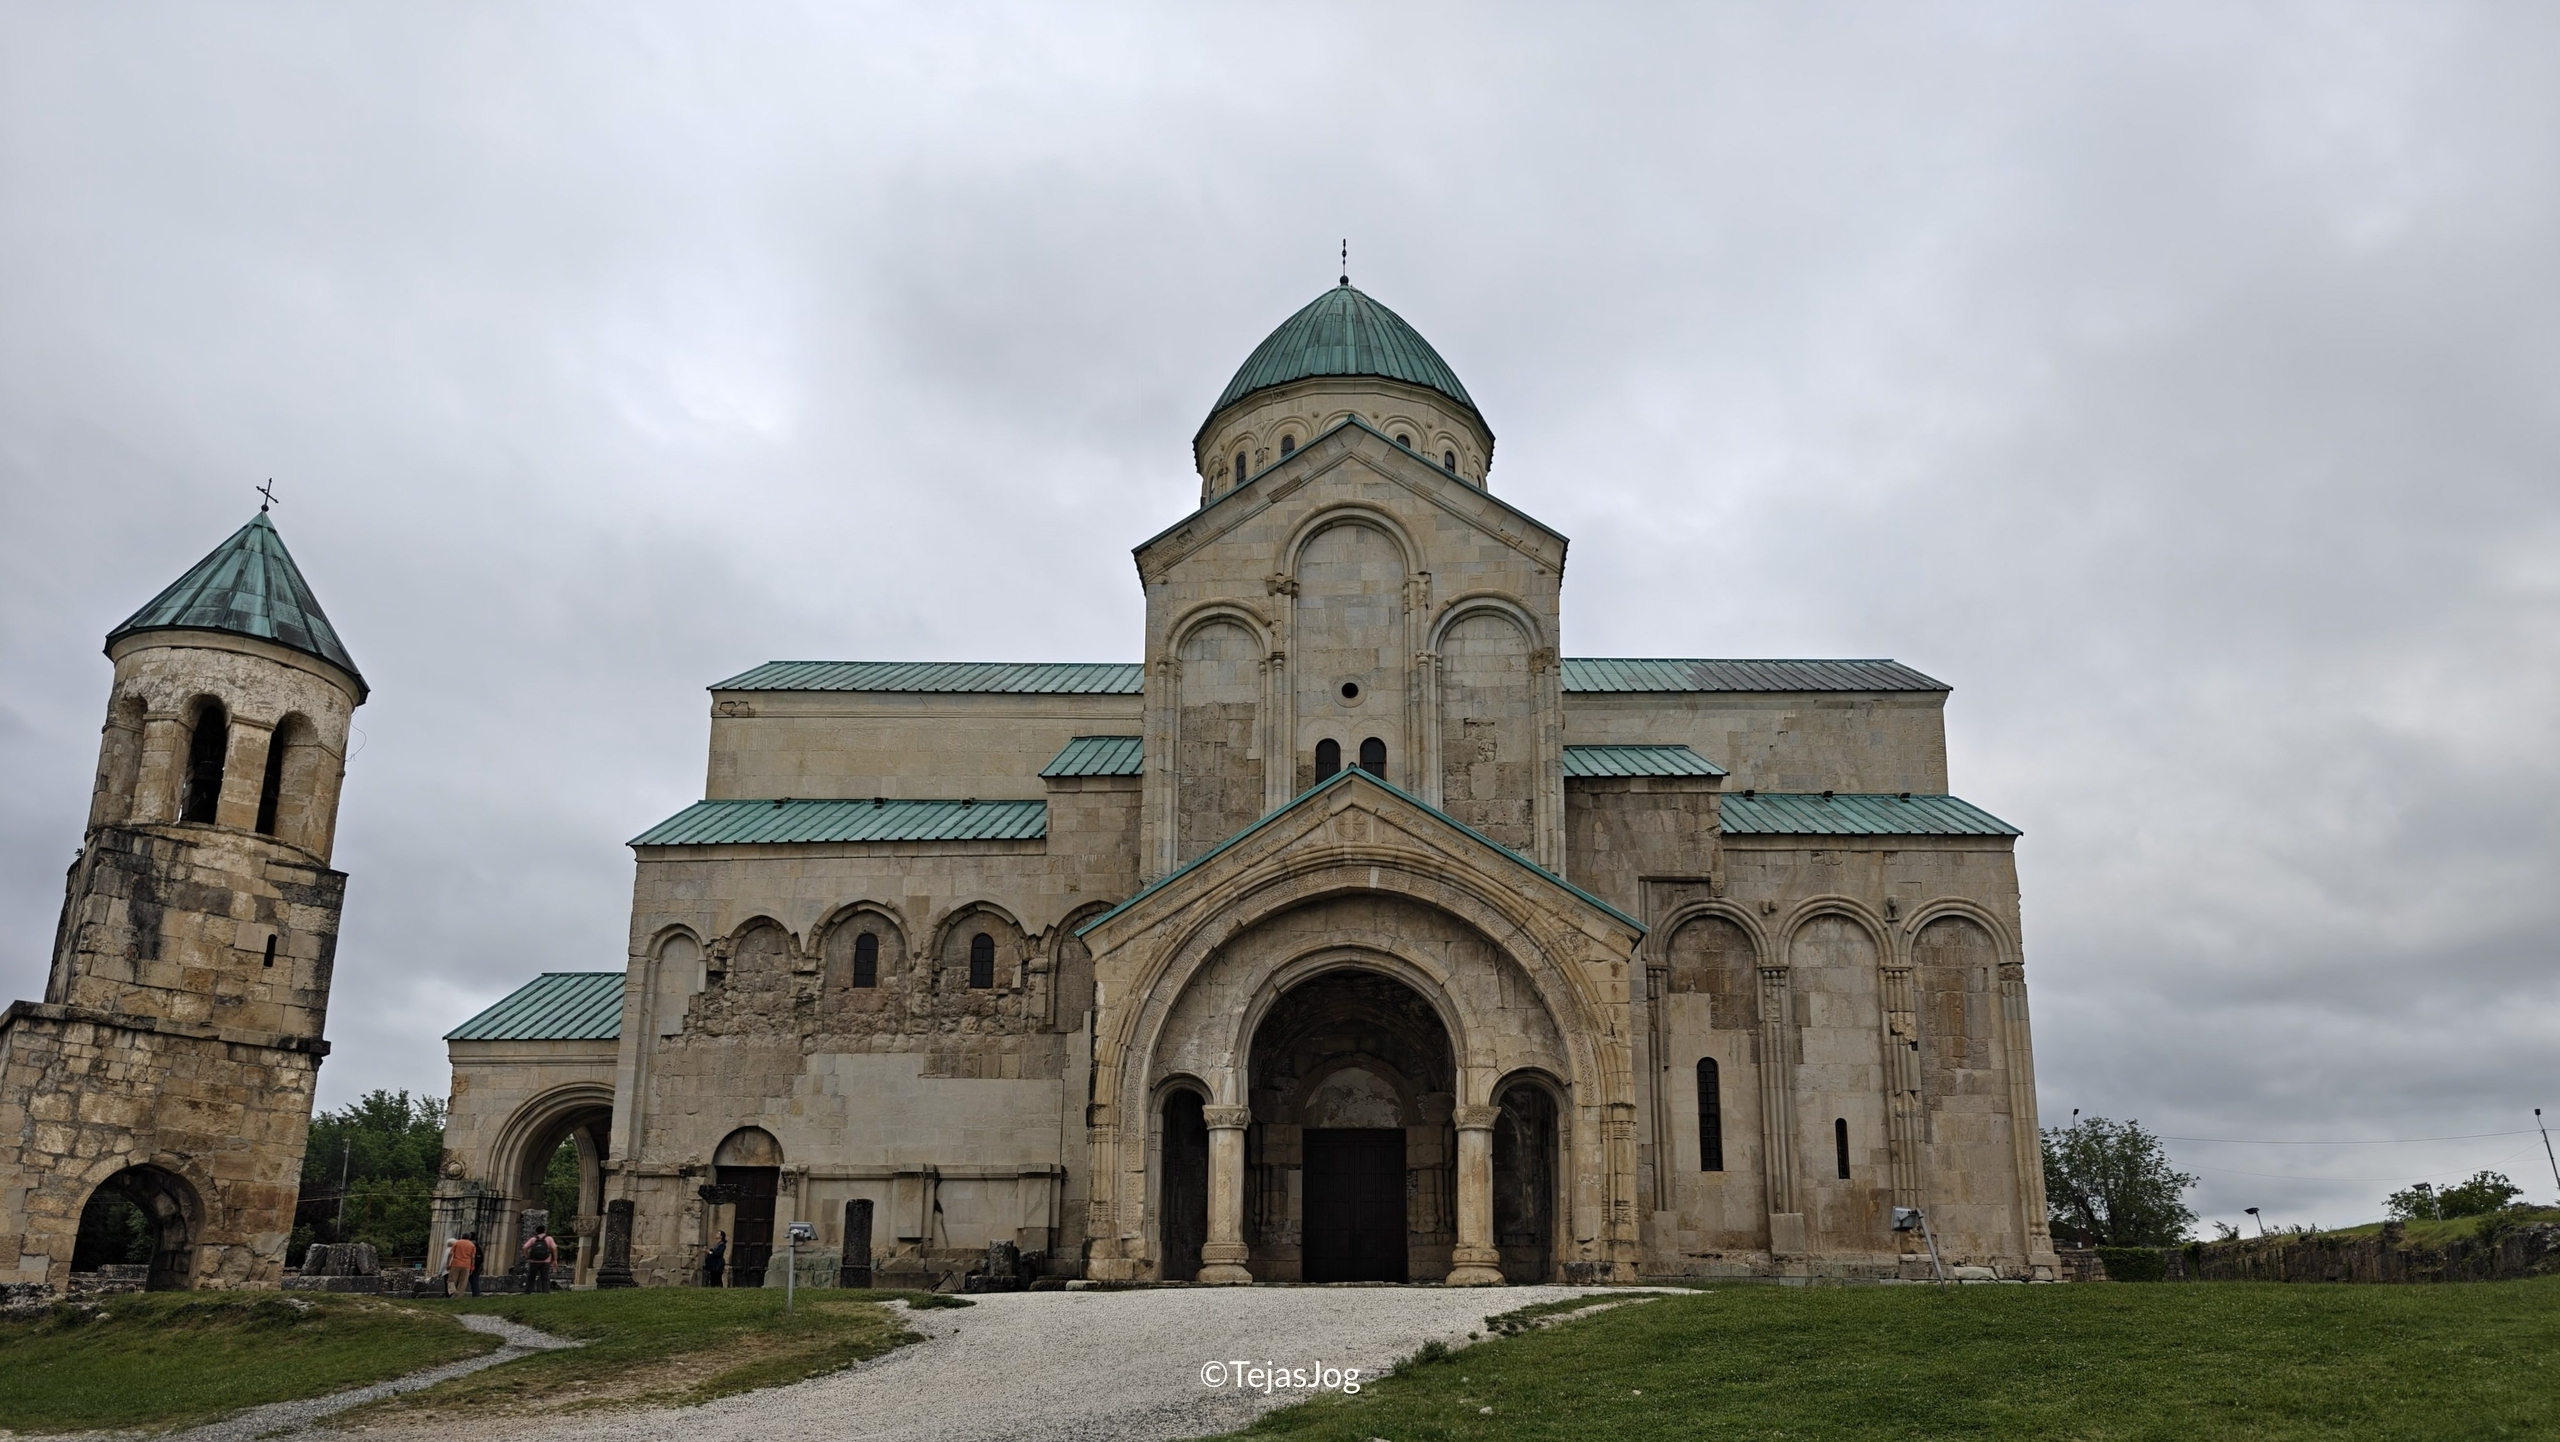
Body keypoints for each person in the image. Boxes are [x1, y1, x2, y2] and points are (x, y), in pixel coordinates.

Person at [521, 1225, 558, 1293]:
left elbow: (524, 1247)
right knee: (544, 1278)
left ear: (536, 1231)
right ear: (544, 1230)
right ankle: (545, 1291)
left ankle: (528, 1291)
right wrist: (555, 1260)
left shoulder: (533, 1239)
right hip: (545, 1261)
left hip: (534, 1261)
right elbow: (554, 1248)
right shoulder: (549, 1238)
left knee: (531, 1277)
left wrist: (527, 1256)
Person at [443, 1233, 479, 1298]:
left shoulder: (457, 1243)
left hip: (456, 1263)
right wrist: (472, 1266)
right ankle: (458, 1296)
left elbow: (451, 1253)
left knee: (451, 1280)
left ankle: (452, 1291)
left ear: (461, 1236)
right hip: (466, 1264)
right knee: (463, 1282)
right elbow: (473, 1256)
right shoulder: (472, 1245)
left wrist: (448, 1263)